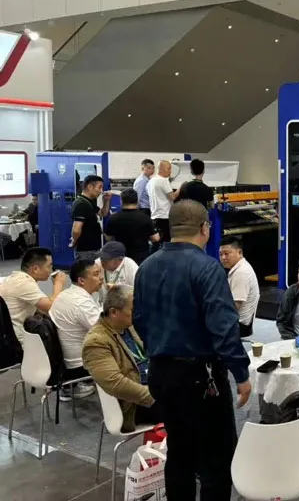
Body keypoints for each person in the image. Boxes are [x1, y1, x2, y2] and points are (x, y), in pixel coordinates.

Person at [133, 200, 251, 500]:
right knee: (216, 458)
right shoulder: (207, 267)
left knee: (179, 452)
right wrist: (240, 373)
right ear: (204, 228)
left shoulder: (146, 267)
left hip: (161, 373)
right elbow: (224, 327)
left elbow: (139, 320)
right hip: (201, 377)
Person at [82, 284, 160, 432]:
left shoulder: (128, 326)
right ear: (114, 312)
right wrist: (155, 395)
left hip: (154, 385)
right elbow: (115, 384)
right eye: (132, 310)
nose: (137, 313)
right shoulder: (96, 342)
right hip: (134, 405)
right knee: (191, 408)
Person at [49, 258, 104, 399]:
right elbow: (105, 330)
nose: (101, 277)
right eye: (96, 274)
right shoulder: (81, 303)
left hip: (65, 361)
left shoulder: (65, 295)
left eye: (100, 273)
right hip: (80, 365)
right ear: (81, 281)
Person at [0, 247, 67, 345]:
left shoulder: (17, 278)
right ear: (35, 269)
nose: (51, 270)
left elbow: (41, 307)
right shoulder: (24, 283)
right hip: (15, 340)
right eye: (49, 266)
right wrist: (58, 284)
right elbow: (50, 306)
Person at [218, 236, 261, 338]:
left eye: (227, 253)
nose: (223, 258)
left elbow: (234, 308)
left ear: (240, 252)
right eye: (220, 254)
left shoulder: (241, 273)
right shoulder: (239, 268)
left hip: (239, 325)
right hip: (236, 321)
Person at [104, 188, 160, 266]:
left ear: (121, 201)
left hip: (121, 257)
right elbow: (156, 238)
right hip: (141, 258)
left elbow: (108, 238)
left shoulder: (114, 218)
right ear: (137, 201)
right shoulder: (145, 218)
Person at [70, 174, 111, 259]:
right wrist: (74, 241)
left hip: (93, 249)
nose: (101, 191)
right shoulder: (81, 204)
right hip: (86, 251)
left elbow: (103, 213)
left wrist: (106, 201)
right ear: (90, 187)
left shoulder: (89, 202)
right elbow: (76, 230)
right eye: (99, 187)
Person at [147, 160, 178, 243]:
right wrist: (181, 188)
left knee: (157, 243)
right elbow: (173, 197)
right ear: (161, 169)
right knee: (165, 243)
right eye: (168, 169)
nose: (170, 171)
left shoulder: (151, 181)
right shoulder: (163, 180)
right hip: (164, 217)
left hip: (154, 217)